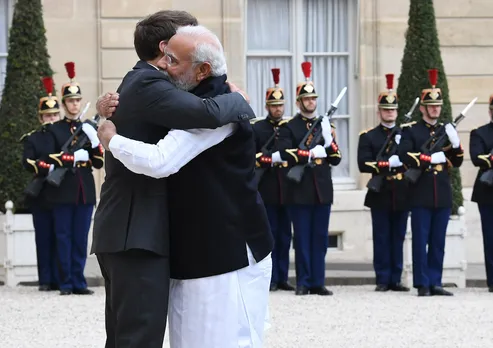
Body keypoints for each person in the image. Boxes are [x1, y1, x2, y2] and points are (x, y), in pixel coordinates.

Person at [97, 25, 273, 348]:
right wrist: (104, 107)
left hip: (227, 253)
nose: (165, 65)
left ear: (203, 69)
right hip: (198, 253)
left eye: (174, 60)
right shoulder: (190, 97)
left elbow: (160, 160)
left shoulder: (216, 110)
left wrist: (112, 140)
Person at [270, 62, 342, 296]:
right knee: (301, 238)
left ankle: (317, 282)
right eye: (307, 99)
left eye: (313, 99)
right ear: (299, 102)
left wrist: (327, 142)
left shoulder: (325, 125)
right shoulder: (290, 127)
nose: (311, 102)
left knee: (320, 239)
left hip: (321, 188)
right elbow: (283, 153)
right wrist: (309, 153)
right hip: (299, 189)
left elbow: (337, 157)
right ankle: (303, 281)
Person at [398, 68, 464, 297]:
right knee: (420, 240)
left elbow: (458, 161)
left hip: (442, 192)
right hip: (421, 191)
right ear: (424, 108)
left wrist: (455, 144)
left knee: (438, 241)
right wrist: (429, 158)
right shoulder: (412, 131)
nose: (436, 108)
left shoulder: (446, 130)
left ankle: (435, 281)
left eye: (438, 105)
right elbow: (405, 155)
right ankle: (422, 283)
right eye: (431, 105)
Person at [44, 62, 103, 296]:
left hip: (83, 190)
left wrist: (96, 142)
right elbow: (50, 158)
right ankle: (65, 282)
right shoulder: (54, 129)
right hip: (62, 190)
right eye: (70, 101)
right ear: (64, 102)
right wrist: (73, 157)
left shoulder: (88, 129)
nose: (75, 104)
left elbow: (98, 162)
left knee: (80, 238)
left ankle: (79, 281)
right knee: (63, 237)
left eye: (77, 100)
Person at [357, 73, 410, 292]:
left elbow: (412, 160)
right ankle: (382, 278)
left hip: (401, 191)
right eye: (386, 110)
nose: (390, 113)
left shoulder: (405, 135)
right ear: (379, 111)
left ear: (397, 112)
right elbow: (364, 164)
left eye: (393, 110)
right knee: (381, 237)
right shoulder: (369, 136)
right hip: (380, 191)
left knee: (398, 237)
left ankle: (396, 278)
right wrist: (388, 164)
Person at [251, 68, 294, 292]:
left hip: (286, 189)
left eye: (280, 105)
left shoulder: (290, 128)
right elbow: (251, 157)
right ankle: (269, 278)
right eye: (274, 105)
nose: (277, 109)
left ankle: (283, 276)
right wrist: (267, 159)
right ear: (267, 106)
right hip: (266, 189)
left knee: (285, 236)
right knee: (268, 236)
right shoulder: (258, 128)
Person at [20, 76, 61, 291]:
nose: (52, 119)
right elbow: (27, 162)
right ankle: (46, 279)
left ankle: (61, 278)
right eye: (48, 115)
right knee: (44, 238)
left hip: (62, 193)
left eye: (55, 114)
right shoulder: (33, 138)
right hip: (42, 194)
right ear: (41, 117)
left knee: (61, 238)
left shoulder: (65, 135)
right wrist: (48, 167)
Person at [469, 95, 493, 293]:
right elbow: (477, 158)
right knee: (491, 237)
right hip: (488, 192)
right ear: (490, 111)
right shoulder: (480, 133)